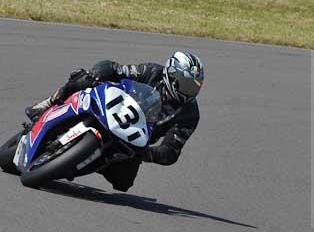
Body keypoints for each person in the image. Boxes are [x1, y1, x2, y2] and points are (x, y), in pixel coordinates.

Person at [25, 51, 205, 192]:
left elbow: (171, 150)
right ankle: (47, 104)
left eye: (195, 88)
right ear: (171, 76)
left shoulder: (189, 114)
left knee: (124, 182)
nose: (190, 92)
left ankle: (79, 162)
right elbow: (117, 69)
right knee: (82, 78)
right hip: (112, 107)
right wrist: (98, 73)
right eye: (187, 85)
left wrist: (148, 154)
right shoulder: (151, 72)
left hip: (132, 140)